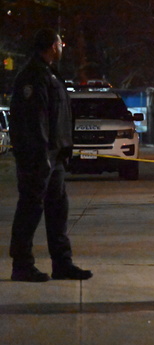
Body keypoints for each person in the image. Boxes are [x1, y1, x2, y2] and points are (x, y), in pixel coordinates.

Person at [8, 28, 92, 282]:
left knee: (58, 210)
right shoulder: (33, 76)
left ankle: (62, 263)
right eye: (60, 43)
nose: (63, 47)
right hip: (38, 158)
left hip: (54, 157)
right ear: (52, 46)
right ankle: (22, 265)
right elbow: (34, 121)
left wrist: (62, 151)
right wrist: (41, 155)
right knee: (30, 209)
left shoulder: (50, 74)